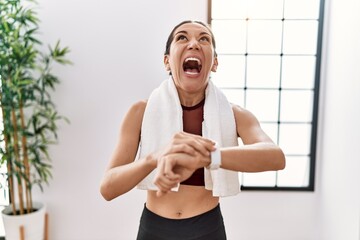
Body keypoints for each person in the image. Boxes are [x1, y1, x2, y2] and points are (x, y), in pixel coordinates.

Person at [100, 20, 285, 240]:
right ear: (167, 61)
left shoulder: (236, 115)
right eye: (182, 37)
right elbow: (108, 188)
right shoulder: (140, 111)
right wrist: (155, 158)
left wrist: (208, 156)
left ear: (214, 63)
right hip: (153, 228)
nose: (194, 43)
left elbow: (275, 157)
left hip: (208, 228)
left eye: (204, 38)